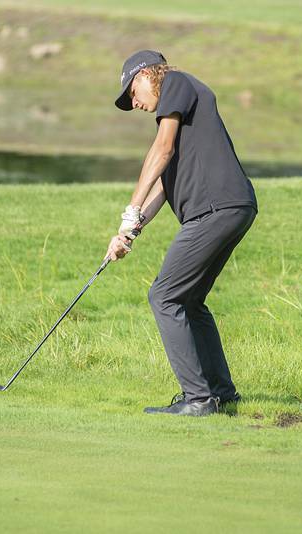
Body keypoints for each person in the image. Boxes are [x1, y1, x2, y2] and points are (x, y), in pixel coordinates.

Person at [105, 50, 257, 417]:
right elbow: (162, 186)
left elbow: (161, 149)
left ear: (146, 75)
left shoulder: (175, 82)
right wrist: (132, 229)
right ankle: (221, 394)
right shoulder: (182, 113)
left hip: (215, 210)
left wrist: (128, 212)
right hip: (230, 207)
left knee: (164, 297)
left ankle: (198, 399)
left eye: (133, 93)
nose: (135, 103)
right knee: (188, 301)